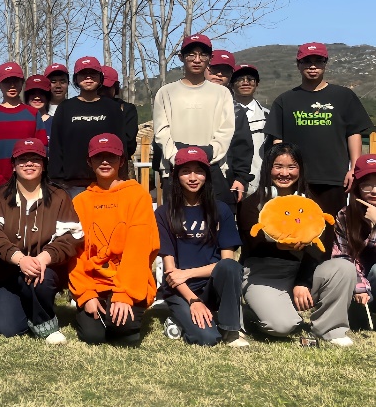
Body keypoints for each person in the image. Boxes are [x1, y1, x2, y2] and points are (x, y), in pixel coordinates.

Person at [238, 142, 355, 346]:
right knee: (282, 327)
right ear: (268, 169)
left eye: (291, 167)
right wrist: (279, 245)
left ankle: (330, 329)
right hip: (264, 275)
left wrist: (303, 281)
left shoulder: (312, 204)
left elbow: (321, 248)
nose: (284, 173)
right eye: (278, 166)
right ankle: (252, 313)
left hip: (300, 269)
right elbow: (253, 242)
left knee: (343, 268)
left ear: (300, 169)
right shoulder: (251, 204)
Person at [265, 42, 371, 249]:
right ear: (298, 65)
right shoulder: (285, 100)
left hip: (334, 178)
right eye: (307, 61)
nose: (312, 66)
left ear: (325, 64)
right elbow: (277, 141)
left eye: (318, 61)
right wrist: (281, 172)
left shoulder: (343, 96)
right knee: (296, 231)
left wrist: (354, 168)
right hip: (296, 179)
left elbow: (354, 133)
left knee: (331, 231)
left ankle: (330, 266)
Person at [0, 138, 81, 343]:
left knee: (41, 280)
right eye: (22, 159)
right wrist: (19, 259)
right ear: (13, 165)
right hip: (8, 271)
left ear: (44, 165)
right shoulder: (0, 197)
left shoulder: (59, 196)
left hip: (44, 270)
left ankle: (45, 320)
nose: (29, 163)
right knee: (8, 329)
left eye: (35, 159)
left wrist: (43, 258)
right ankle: (27, 307)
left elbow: (71, 236)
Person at [70, 134, 159, 345]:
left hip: (128, 280)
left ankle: (125, 314)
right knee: (93, 336)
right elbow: (75, 254)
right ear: (89, 162)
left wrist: (124, 294)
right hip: (95, 283)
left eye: (111, 156)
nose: (104, 162)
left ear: (121, 161)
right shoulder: (80, 201)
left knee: (123, 330)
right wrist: (86, 294)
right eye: (98, 157)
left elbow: (139, 249)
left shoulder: (138, 196)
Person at [156, 147, 248, 347]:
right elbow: (171, 271)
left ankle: (231, 330)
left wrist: (188, 273)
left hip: (211, 286)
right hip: (180, 290)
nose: (192, 177)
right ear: (176, 176)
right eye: (185, 171)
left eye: (199, 171)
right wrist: (193, 300)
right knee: (208, 338)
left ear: (207, 175)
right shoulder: (164, 213)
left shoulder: (221, 210)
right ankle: (178, 317)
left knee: (231, 267)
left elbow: (227, 263)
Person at [152, 34, 234, 203]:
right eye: (191, 54)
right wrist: (177, 158)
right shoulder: (166, 92)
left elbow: (226, 130)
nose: (197, 60)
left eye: (203, 55)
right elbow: (161, 131)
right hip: (174, 170)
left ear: (210, 58)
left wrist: (209, 153)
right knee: (175, 219)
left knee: (214, 218)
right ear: (181, 57)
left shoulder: (222, 93)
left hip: (212, 169)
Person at [48, 57, 126, 197]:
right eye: (83, 73)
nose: (88, 77)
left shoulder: (112, 108)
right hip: (72, 184)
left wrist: (122, 176)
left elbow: (122, 145)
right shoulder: (65, 108)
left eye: (93, 73)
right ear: (76, 79)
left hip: (107, 181)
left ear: (100, 78)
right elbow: (56, 146)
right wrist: (56, 179)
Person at [0, 62, 48, 190]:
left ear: (22, 82)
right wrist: (1, 184)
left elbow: (42, 149)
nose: (12, 85)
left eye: (15, 81)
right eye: (6, 81)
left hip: (29, 185)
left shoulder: (33, 114)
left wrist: (31, 179)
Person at [327, 154, 376, 331]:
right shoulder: (345, 216)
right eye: (367, 185)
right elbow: (342, 257)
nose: (374, 191)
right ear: (357, 187)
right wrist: (360, 286)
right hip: (358, 286)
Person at [206, 50, 254, 206]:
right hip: (187, 177)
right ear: (206, 68)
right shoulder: (184, 101)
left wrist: (240, 178)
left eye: (225, 71)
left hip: (225, 181)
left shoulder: (236, 110)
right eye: (215, 69)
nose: (219, 74)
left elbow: (243, 147)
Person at [231, 64, 269, 195]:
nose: (245, 82)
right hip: (229, 182)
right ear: (231, 84)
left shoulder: (268, 116)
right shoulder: (221, 114)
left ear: (257, 83)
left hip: (260, 184)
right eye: (240, 79)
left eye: (250, 79)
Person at [99, 65, 139, 168]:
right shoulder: (85, 109)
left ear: (115, 88)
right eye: (99, 88)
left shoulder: (126, 109)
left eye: (106, 88)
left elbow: (129, 143)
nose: (102, 92)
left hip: (119, 163)